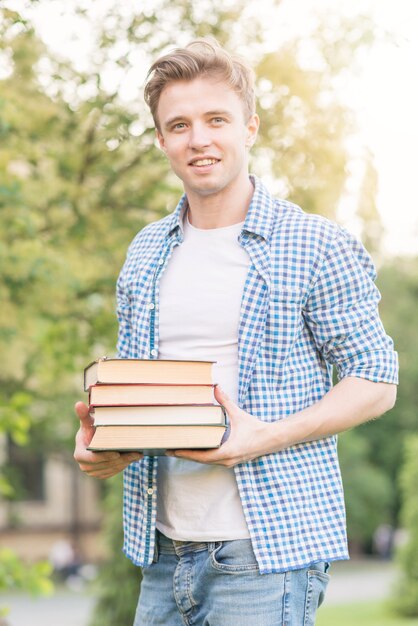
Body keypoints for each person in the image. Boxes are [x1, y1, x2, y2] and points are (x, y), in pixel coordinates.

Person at [74, 39, 398, 625]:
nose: (198, 139)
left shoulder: (316, 244)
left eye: (215, 119)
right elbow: (138, 395)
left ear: (249, 127)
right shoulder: (146, 252)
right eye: (179, 125)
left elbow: (376, 379)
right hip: (162, 552)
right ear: (161, 140)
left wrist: (261, 437)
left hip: (265, 554)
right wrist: (103, 444)